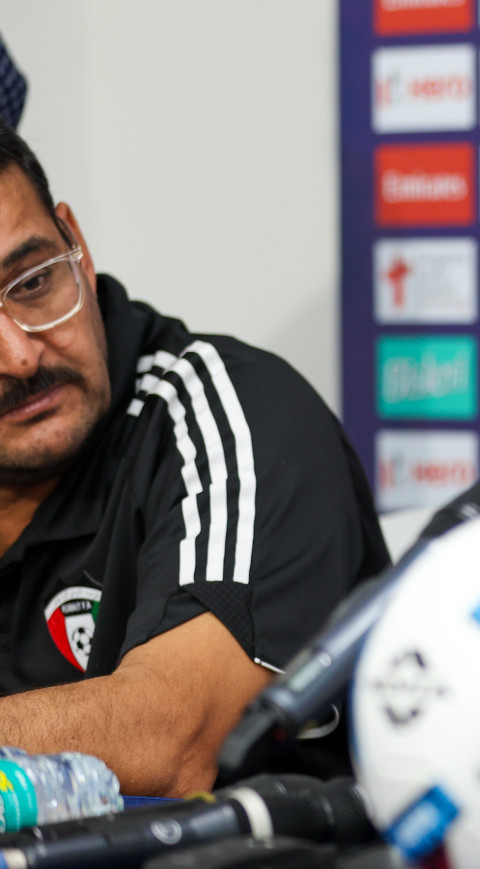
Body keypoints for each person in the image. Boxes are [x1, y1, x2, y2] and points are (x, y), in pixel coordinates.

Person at [0, 123, 389, 796]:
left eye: (33, 284)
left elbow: (176, 742)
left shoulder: (232, 410)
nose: (21, 356)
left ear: (78, 249)